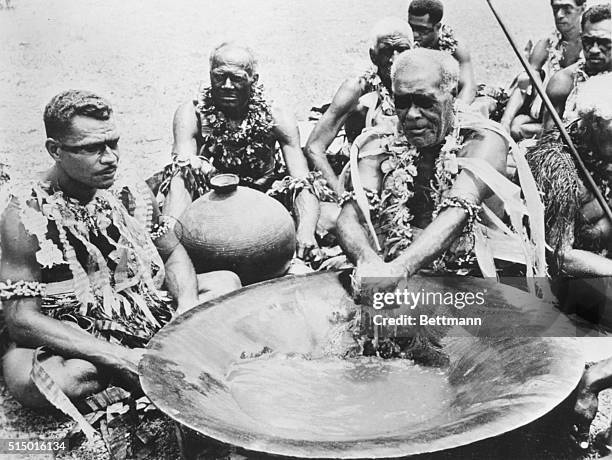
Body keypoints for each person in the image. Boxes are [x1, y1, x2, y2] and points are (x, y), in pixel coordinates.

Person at [0, 90, 241, 411]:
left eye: (113, 143)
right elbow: (20, 319)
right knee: (43, 383)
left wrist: (186, 309)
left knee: (227, 283)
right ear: (55, 150)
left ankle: (145, 362)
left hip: (137, 306)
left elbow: (172, 253)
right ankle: (145, 362)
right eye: (92, 149)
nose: (110, 158)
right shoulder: (28, 213)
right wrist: (118, 355)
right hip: (70, 324)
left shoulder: (129, 190)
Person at [337, 49, 545, 301]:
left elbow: (457, 211)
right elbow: (351, 214)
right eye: (402, 102)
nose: (412, 114)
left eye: (424, 102)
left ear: (452, 94)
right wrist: (368, 261)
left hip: (472, 278)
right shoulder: (382, 140)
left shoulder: (485, 140)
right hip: (396, 269)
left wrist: (398, 270)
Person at [159, 42, 323, 260]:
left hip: (264, 198)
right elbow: (182, 175)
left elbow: (301, 180)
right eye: (219, 76)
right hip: (209, 200)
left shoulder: (276, 115)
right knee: (181, 175)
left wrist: (306, 232)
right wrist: (172, 238)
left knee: (327, 220)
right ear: (210, 75)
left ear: (253, 80)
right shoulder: (192, 113)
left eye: (236, 78)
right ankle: (170, 246)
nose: (226, 85)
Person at [304, 17, 414, 195]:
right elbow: (314, 147)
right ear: (373, 55)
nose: (394, 59)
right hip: (362, 178)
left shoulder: (421, 85)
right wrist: (340, 194)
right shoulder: (357, 88)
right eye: (387, 51)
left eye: (402, 50)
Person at [500, 0, 586, 141]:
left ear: (582, 8)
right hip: (545, 113)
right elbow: (524, 83)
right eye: (556, 8)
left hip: (573, 116)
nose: (559, 15)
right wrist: (505, 121)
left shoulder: (591, 46)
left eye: (566, 8)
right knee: (515, 124)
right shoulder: (547, 43)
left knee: (519, 129)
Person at [544, 2, 611, 129]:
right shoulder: (563, 82)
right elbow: (548, 140)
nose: (594, 50)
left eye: (604, 42)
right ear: (581, 37)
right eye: (588, 41)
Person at [407, 0, 476, 105]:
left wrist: (457, 112)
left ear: (437, 27)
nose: (414, 34)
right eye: (411, 27)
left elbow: (468, 87)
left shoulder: (455, 47)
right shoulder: (402, 42)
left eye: (422, 30)